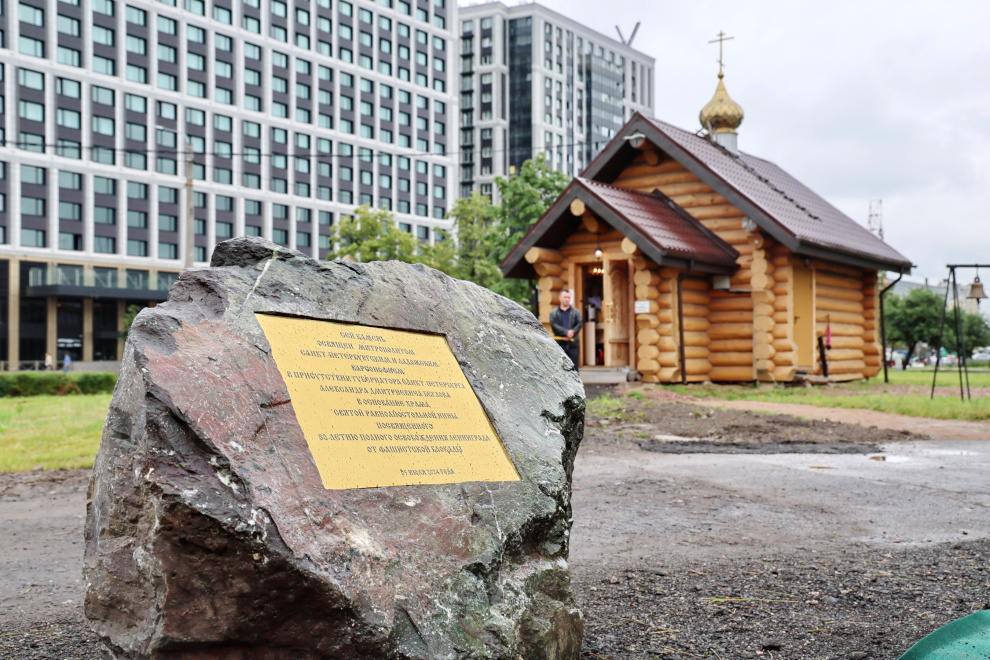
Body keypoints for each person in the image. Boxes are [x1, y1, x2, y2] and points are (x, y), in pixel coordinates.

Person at [550, 289, 582, 370]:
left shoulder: (576, 312)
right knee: (559, 368)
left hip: (573, 344)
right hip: (559, 344)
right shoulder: (553, 313)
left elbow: (579, 324)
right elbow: (554, 325)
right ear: (560, 298)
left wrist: (573, 332)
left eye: (568, 297)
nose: (567, 299)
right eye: (565, 297)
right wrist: (566, 332)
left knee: (574, 368)